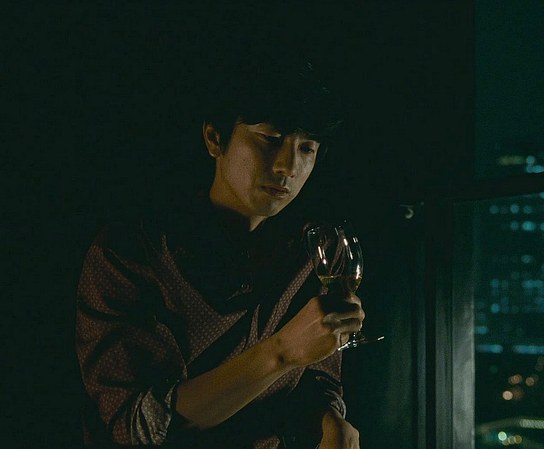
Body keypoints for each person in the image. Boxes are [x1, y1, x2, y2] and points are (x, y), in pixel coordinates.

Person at [75, 57, 364, 449]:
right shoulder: (131, 255)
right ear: (215, 139)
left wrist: (330, 420)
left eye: (307, 148)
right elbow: (140, 427)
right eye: (270, 139)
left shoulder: (314, 252)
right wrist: (280, 352)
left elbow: (318, 378)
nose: (289, 167)